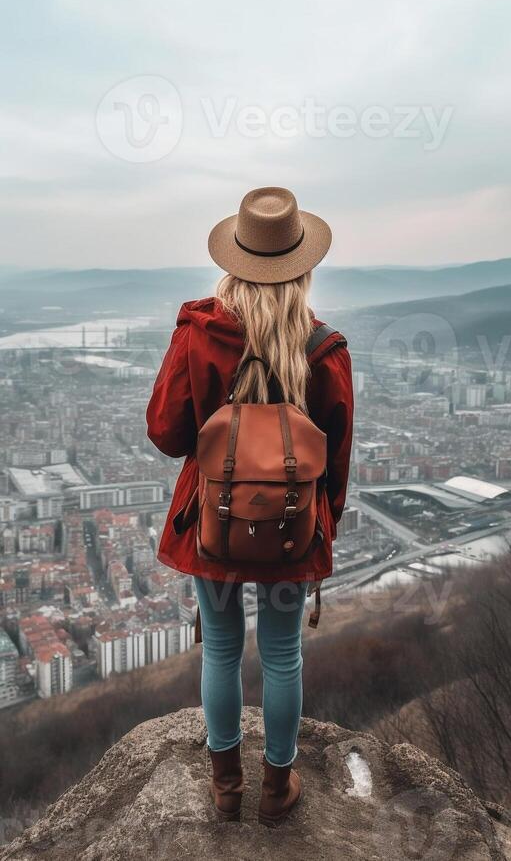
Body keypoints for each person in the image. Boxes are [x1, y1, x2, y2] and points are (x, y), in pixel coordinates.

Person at [146, 187, 353, 826]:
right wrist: (324, 524)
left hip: (214, 525)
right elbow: (336, 456)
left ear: (234, 261)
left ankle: (225, 784)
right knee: (284, 653)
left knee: (221, 650)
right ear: (303, 267)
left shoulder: (202, 332)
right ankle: (276, 788)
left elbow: (165, 431)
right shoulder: (324, 348)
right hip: (292, 528)